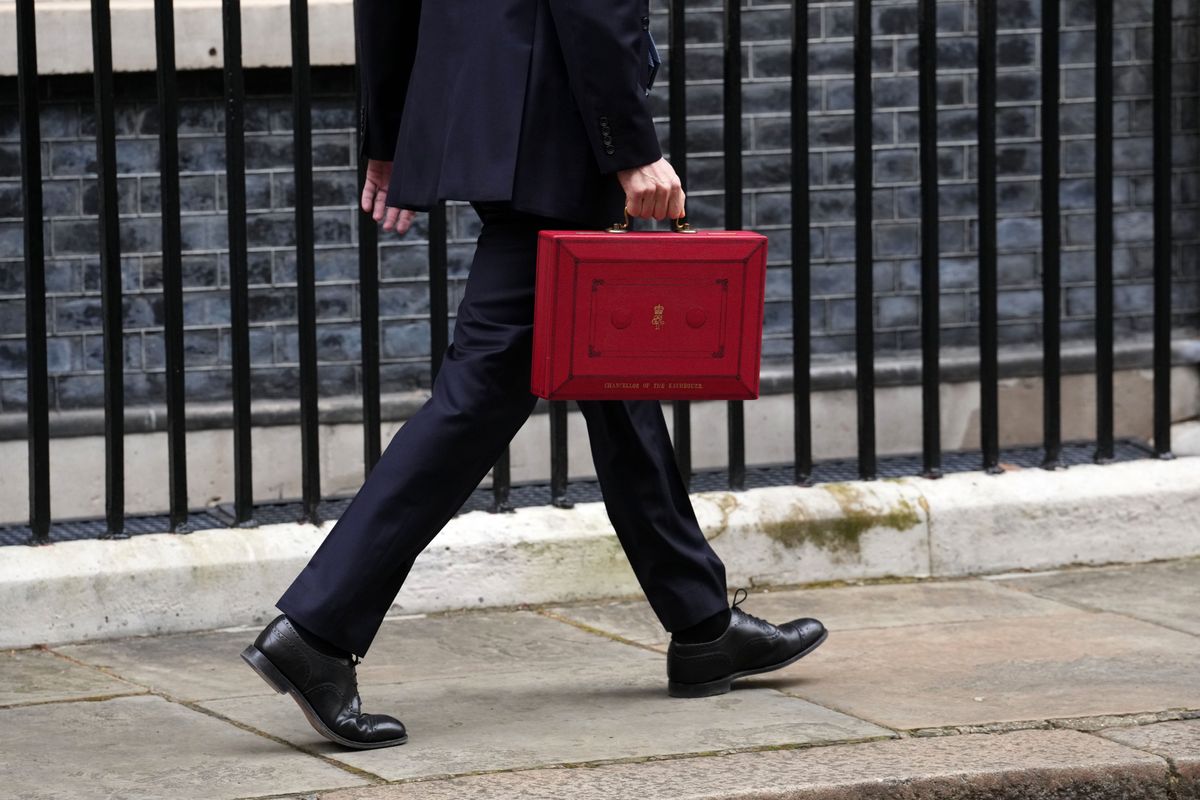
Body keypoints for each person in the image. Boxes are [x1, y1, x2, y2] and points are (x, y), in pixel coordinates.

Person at [240, 0, 828, 750]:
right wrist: (628, 143)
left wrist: (390, 132)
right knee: (482, 391)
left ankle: (701, 621)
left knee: (610, 372)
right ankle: (318, 631)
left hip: (498, 108)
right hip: (557, 116)